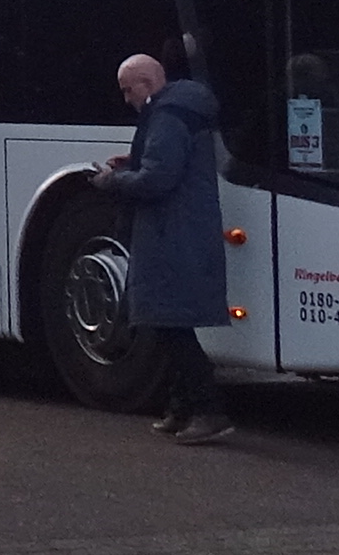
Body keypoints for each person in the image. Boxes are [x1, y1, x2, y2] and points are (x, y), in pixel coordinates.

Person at [92, 48, 236, 442]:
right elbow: (168, 164)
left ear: (148, 83)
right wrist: (135, 158)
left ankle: (208, 410)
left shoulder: (167, 115)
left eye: (128, 90)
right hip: (182, 229)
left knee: (171, 327)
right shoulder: (182, 109)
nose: (127, 100)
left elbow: (158, 180)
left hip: (170, 233)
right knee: (168, 323)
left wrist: (111, 182)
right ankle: (181, 407)